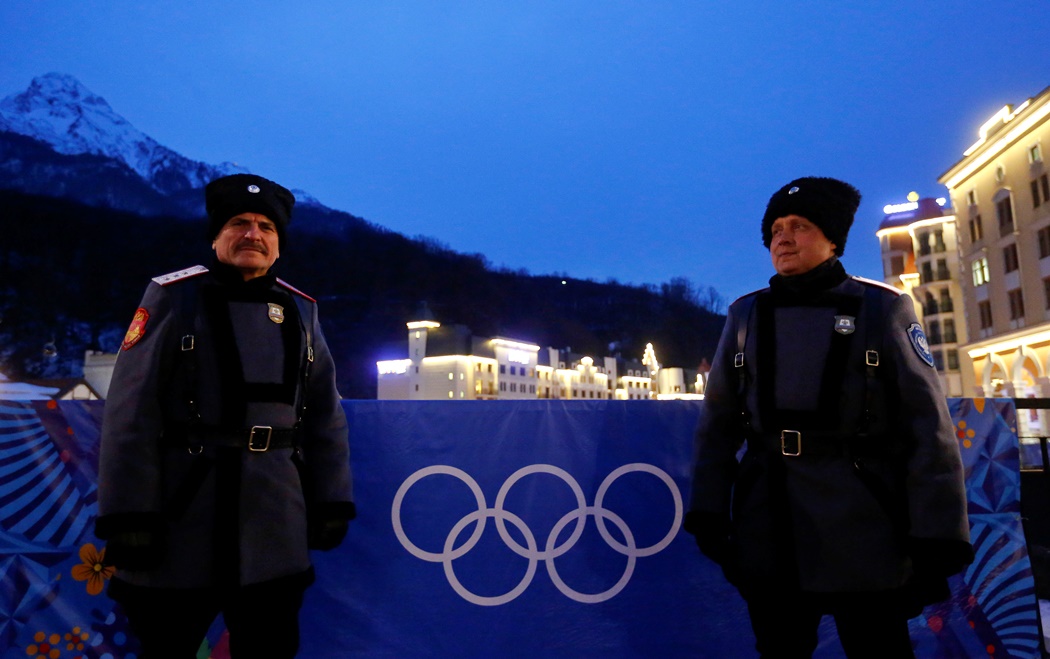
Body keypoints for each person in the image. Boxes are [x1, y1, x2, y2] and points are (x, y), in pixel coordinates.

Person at [684, 177, 972, 658]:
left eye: (799, 225)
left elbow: (928, 429)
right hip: (769, 524)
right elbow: (716, 428)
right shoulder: (744, 315)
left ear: (833, 239)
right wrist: (709, 512)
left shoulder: (883, 309)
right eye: (775, 228)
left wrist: (937, 534)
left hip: (864, 523)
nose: (783, 236)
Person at [95, 173, 355, 658]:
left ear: (278, 244)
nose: (253, 234)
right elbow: (131, 413)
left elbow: (325, 417)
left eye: (265, 226)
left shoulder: (302, 310)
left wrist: (332, 501)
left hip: (274, 523)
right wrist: (128, 515)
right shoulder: (174, 296)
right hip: (181, 521)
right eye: (239, 223)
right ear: (216, 236)